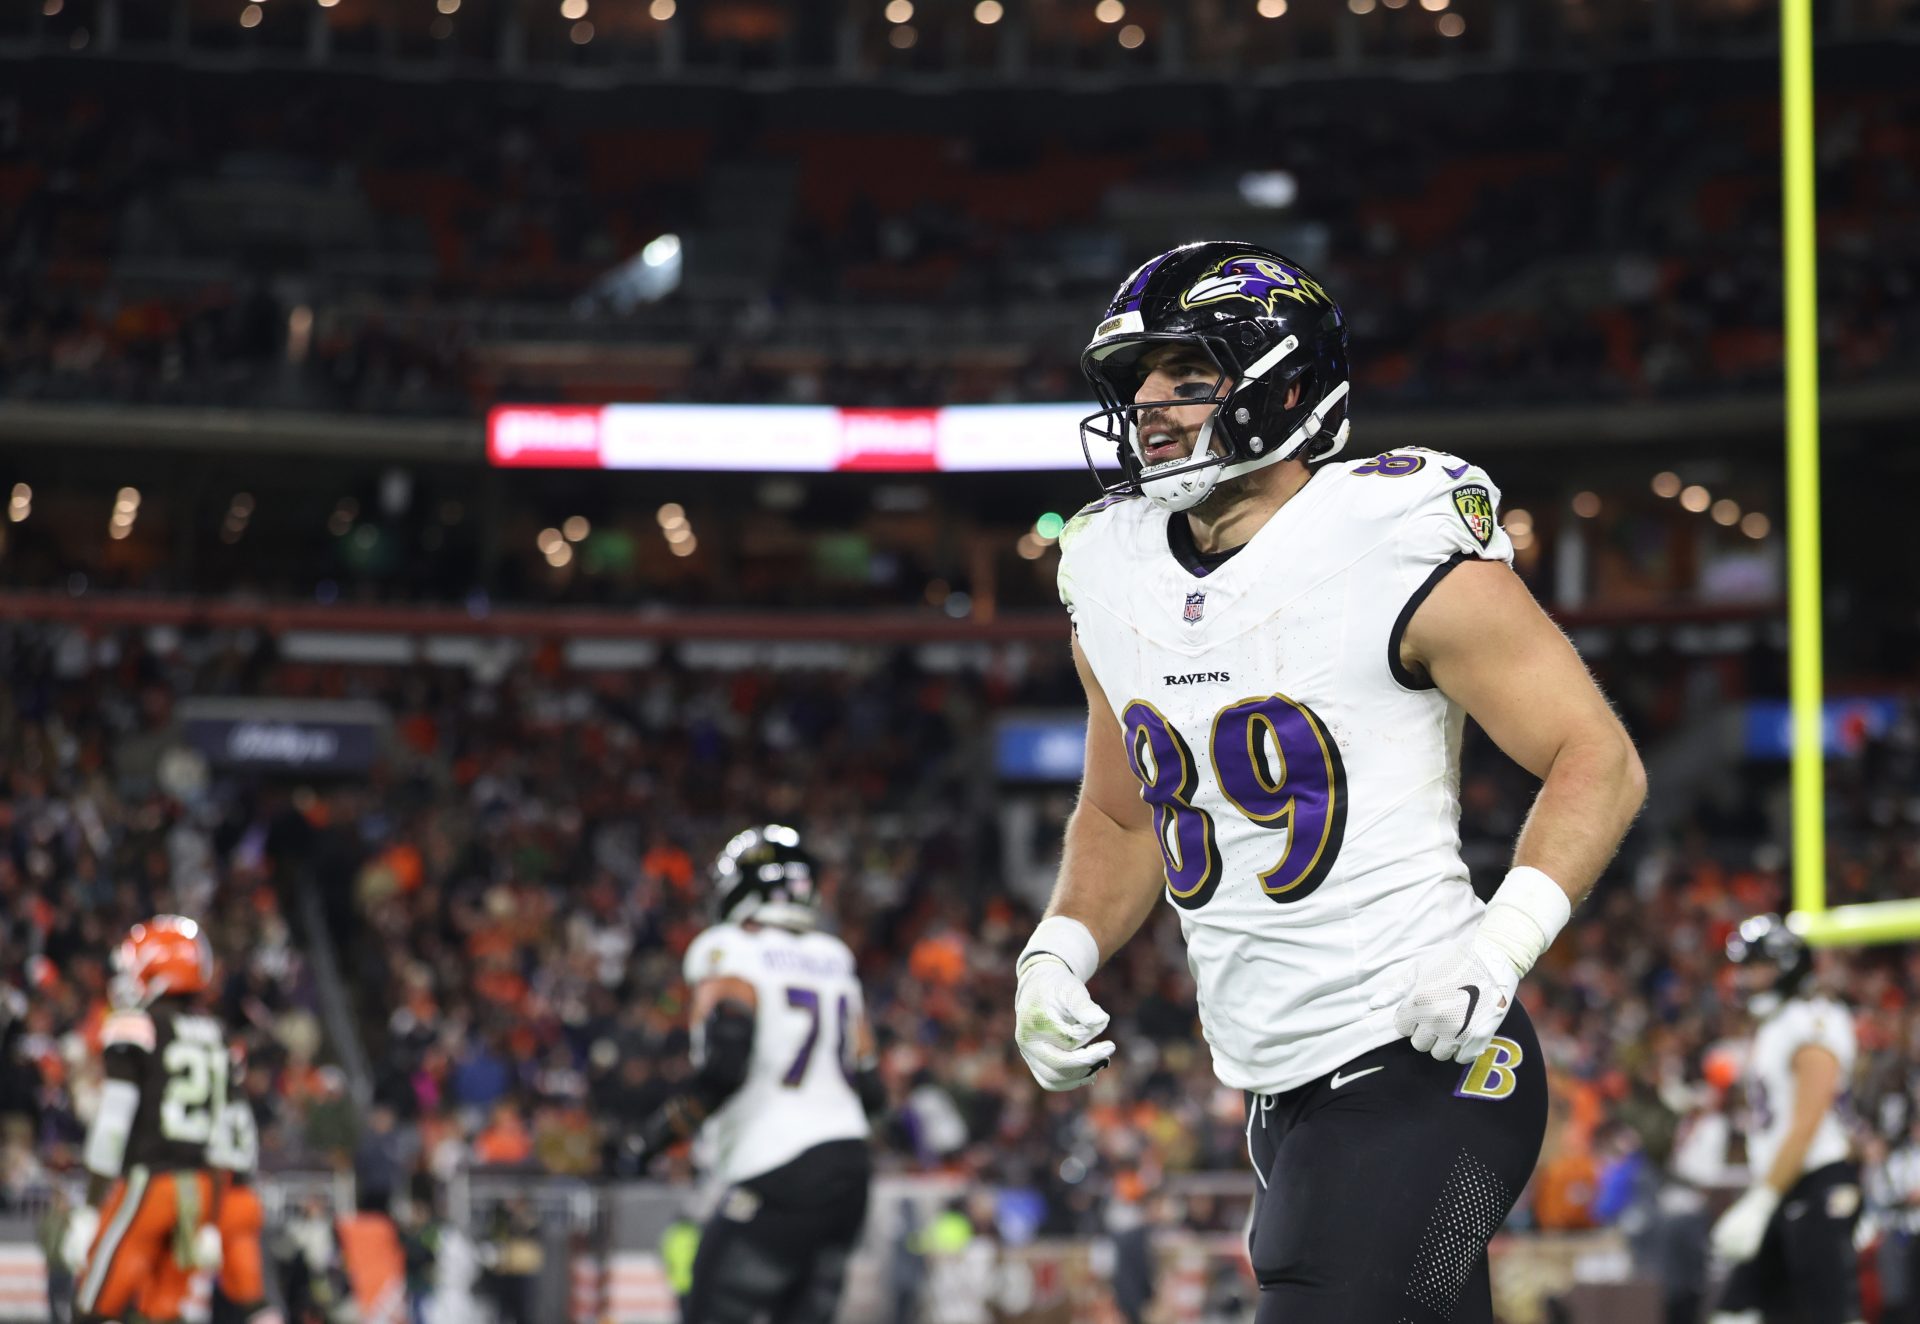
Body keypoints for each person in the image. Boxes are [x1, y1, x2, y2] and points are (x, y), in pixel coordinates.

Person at [1012, 240, 1647, 1322]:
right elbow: (1125, 815)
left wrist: (1500, 945)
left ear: (1285, 384)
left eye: (1187, 374)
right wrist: (1057, 949)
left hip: (1427, 1062)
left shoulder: (1389, 540)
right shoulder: (1111, 571)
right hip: (1283, 1092)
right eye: (1138, 381)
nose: (1149, 405)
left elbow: (1599, 758)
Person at [633, 826, 884, 1324]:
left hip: (777, 1170)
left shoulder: (730, 950)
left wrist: (652, 1139)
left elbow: (726, 1067)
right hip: (849, 1170)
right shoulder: (834, 958)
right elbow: (872, 1091)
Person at [65, 915, 248, 1324]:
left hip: (151, 1184)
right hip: (201, 1189)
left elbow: (113, 1122)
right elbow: (226, 1138)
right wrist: (213, 1220)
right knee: (163, 1312)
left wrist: (91, 1208)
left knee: (92, 1306)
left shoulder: (137, 1025)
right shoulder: (218, 1036)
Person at [1708, 914, 1864, 1324]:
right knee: (1737, 1311)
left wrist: (1762, 1199)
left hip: (1815, 1180)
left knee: (1828, 1312)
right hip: (1784, 1184)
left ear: (1786, 964)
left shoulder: (1811, 1019)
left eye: (1755, 967)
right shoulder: (1775, 1025)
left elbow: (1807, 1122)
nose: (1745, 979)